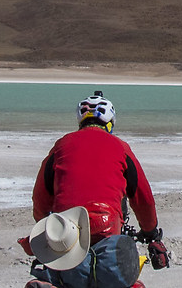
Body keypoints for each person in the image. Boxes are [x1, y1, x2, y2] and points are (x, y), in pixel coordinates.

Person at [28, 91, 171, 271]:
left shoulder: (61, 145)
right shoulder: (120, 147)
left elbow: (41, 195)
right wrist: (150, 231)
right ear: (110, 122)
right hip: (108, 228)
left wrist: (45, 226)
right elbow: (142, 197)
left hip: (66, 230)